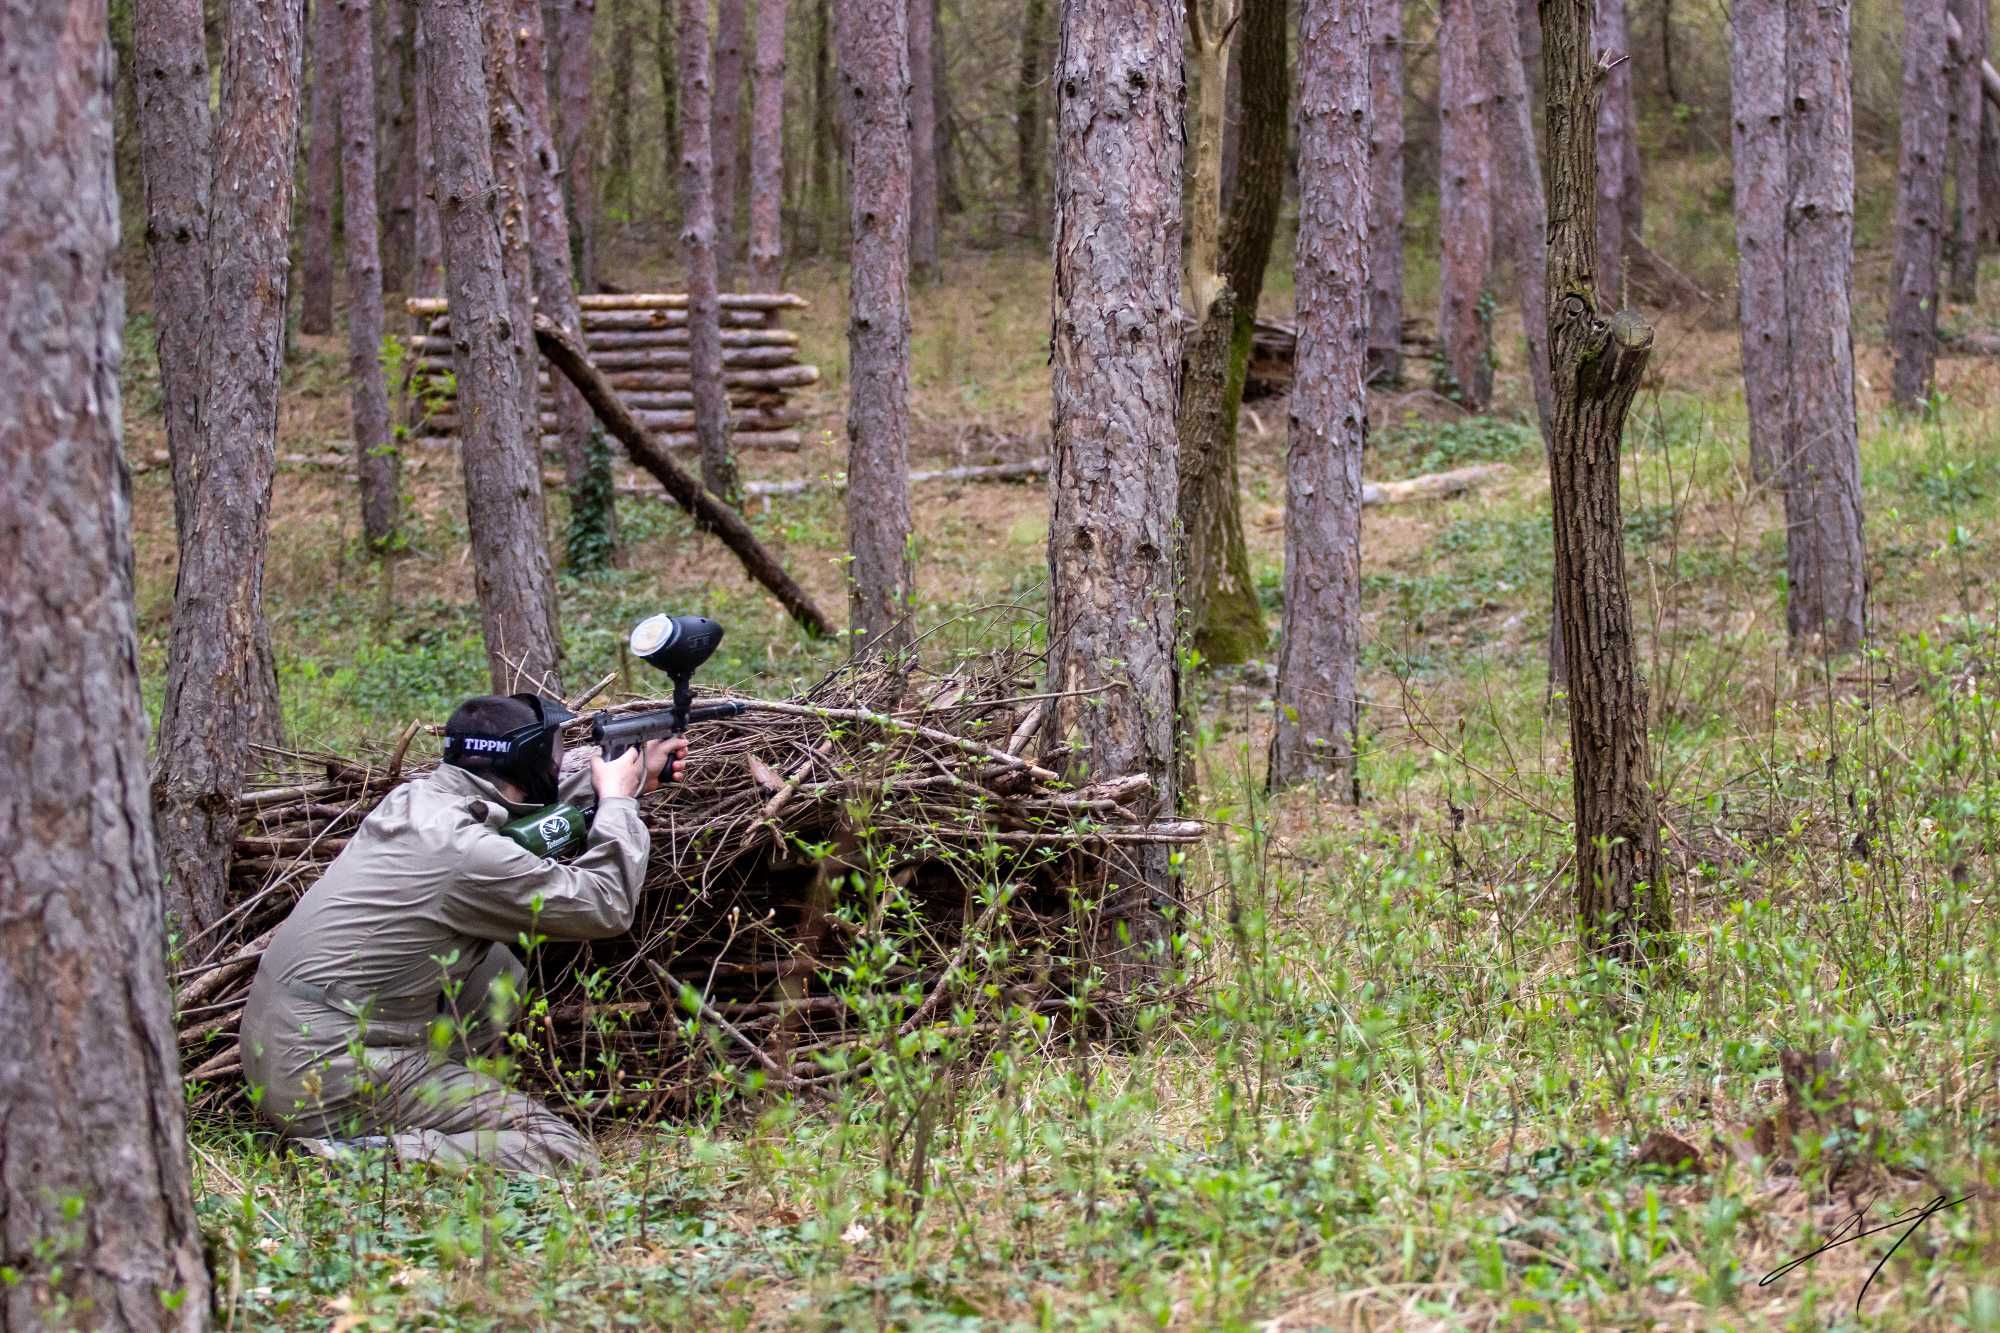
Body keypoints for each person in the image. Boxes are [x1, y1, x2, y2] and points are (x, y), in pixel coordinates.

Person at [239, 693, 684, 1175]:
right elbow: (604, 906)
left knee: (498, 973)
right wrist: (618, 803)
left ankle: (426, 1096)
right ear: (526, 762)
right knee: (557, 1147)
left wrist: (627, 778)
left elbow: (518, 821)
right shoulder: (466, 855)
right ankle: (360, 1157)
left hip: (283, 1049)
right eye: (552, 752)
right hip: (329, 1077)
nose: (558, 761)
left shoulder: (416, 801)